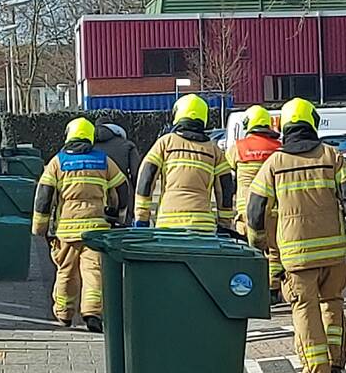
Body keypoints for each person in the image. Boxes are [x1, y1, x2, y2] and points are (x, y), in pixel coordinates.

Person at [246, 98, 346, 373]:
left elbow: (255, 211)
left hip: (296, 258)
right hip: (333, 253)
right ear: (313, 123)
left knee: (304, 311)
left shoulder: (274, 165)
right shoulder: (332, 157)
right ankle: (334, 362)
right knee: (332, 303)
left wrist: (258, 247)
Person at [32, 117, 129, 333]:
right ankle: (92, 312)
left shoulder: (57, 162)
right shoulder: (103, 160)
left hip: (66, 231)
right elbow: (122, 188)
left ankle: (64, 314)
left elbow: (44, 197)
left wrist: (39, 228)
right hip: (96, 230)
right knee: (93, 271)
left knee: (66, 271)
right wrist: (118, 215)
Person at [133, 94, 235, 231]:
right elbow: (225, 188)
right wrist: (225, 224)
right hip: (203, 226)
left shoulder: (165, 143)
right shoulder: (214, 150)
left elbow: (146, 178)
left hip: (168, 225)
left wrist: (142, 218)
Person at [226, 105, 284, 298]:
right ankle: (273, 290)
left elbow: (226, 172)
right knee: (275, 251)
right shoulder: (278, 148)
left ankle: (248, 290)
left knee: (250, 251)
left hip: (246, 212)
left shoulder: (239, 148)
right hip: (274, 209)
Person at [93, 122, 140, 224]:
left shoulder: (89, 148)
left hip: (96, 195)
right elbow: (136, 174)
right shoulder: (127, 145)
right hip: (123, 194)